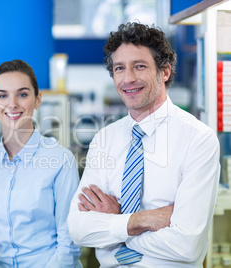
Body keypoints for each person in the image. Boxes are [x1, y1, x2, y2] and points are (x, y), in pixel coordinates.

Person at [67, 22, 220, 267]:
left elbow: (187, 245)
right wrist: (140, 221)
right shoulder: (104, 139)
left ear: (165, 72)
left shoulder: (197, 139)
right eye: (119, 68)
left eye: (139, 66)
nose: (128, 79)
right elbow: (78, 229)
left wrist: (115, 228)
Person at [0, 59, 82, 267]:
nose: (12, 104)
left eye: (23, 94)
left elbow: (69, 244)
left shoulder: (60, 160)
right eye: (2, 95)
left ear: (37, 100)